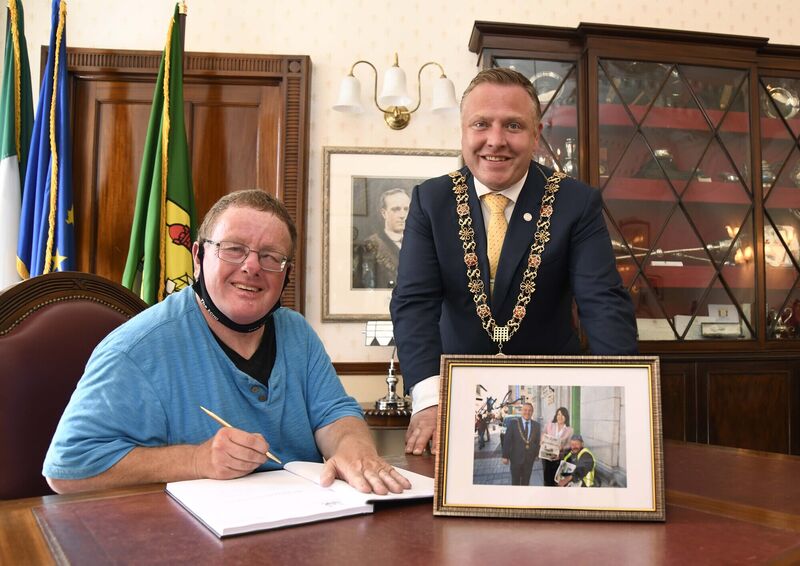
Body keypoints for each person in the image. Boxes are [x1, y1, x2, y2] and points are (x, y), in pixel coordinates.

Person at [43, 190, 411, 496]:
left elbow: (334, 414)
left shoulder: (296, 333)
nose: (252, 266)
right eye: (234, 249)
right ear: (199, 257)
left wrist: (356, 452)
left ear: (286, 276)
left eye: (271, 257)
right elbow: (67, 468)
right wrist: (197, 460)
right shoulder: (134, 350)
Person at [390, 67, 638, 455]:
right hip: (456, 403)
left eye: (513, 126)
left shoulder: (576, 202)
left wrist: (626, 399)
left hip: (551, 395)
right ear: (463, 130)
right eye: (481, 124)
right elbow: (414, 304)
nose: (495, 141)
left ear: (536, 134)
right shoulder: (431, 201)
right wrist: (428, 400)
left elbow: (602, 303)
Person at [354, 188, 410, 288]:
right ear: (384, 213)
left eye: (406, 209)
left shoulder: (421, 245)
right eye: (396, 209)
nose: (403, 215)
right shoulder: (368, 246)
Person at [501, 403, 540, 486]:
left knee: (526, 481)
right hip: (515, 459)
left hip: (529, 459)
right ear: (521, 411)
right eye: (525, 410)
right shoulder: (513, 423)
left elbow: (537, 441)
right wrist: (505, 456)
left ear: (532, 412)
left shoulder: (536, 425)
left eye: (530, 410)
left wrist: (536, 454)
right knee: (515, 482)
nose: (527, 412)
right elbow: (507, 440)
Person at [541, 406, 574, 486]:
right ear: (556, 416)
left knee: (558, 481)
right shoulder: (549, 425)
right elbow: (543, 434)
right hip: (547, 457)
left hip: (559, 459)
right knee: (547, 481)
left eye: (563, 415)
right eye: (558, 414)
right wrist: (542, 440)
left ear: (566, 417)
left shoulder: (570, 430)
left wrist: (563, 447)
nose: (560, 417)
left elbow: (570, 445)